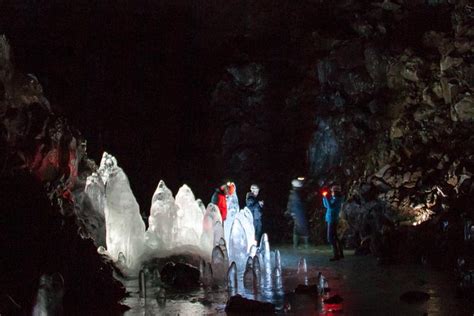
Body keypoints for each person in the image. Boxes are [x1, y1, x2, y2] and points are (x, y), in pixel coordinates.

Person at [322, 185, 344, 261]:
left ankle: (336, 255)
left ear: (335, 192)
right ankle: (340, 254)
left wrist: (327, 198)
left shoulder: (337, 199)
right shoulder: (334, 198)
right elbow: (326, 206)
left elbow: (330, 206)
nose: (331, 192)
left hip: (332, 220)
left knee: (330, 238)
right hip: (331, 219)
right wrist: (324, 197)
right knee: (336, 237)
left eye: (332, 191)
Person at [286, 179, 309, 249]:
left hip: (297, 213)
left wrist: (290, 211)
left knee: (297, 228)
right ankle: (304, 244)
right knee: (302, 227)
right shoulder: (297, 194)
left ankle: (296, 244)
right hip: (299, 213)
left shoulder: (293, 193)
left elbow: (290, 204)